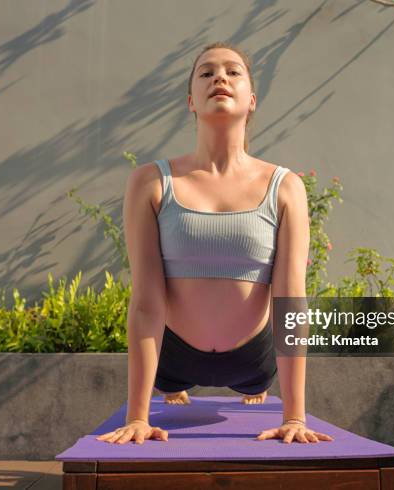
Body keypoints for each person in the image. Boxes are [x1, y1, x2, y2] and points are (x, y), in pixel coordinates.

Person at [96, 42, 334, 446]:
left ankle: (249, 388)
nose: (219, 77)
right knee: (171, 387)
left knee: (253, 387)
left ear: (252, 100)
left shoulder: (285, 186)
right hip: (172, 358)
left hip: (253, 362)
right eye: (206, 73)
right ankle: (174, 388)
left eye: (232, 72)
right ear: (192, 100)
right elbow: (147, 300)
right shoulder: (151, 183)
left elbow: (291, 298)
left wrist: (294, 416)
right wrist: (138, 416)